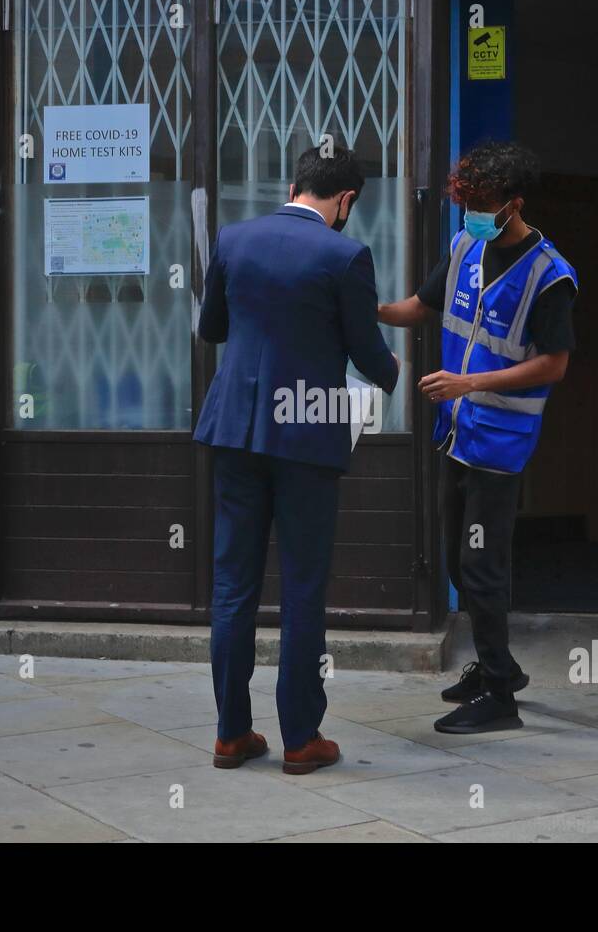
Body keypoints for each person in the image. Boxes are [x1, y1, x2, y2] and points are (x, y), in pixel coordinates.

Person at [195, 144, 400, 773]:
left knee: (233, 585)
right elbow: (368, 354)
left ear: (292, 185)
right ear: (346, 202)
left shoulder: (234, 238)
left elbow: (213, 328)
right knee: (303, 588)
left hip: (234, 429)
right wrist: (398, 374)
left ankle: (231, 732)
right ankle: (301, 739)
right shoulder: (345, 255)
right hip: (306, 434)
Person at [379, 140, 578, 734]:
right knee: (458, 564)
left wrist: (470, 381)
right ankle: (500, 666)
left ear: (513, 205)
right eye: (466, 202)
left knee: (482, 564)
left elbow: (555, 364)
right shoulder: (467, 244)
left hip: (500, 441)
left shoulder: (550, 275)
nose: (471, 213)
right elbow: (420, 307)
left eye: (482, 204)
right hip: (456, 434)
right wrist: (363, 305)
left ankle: (499, 697)